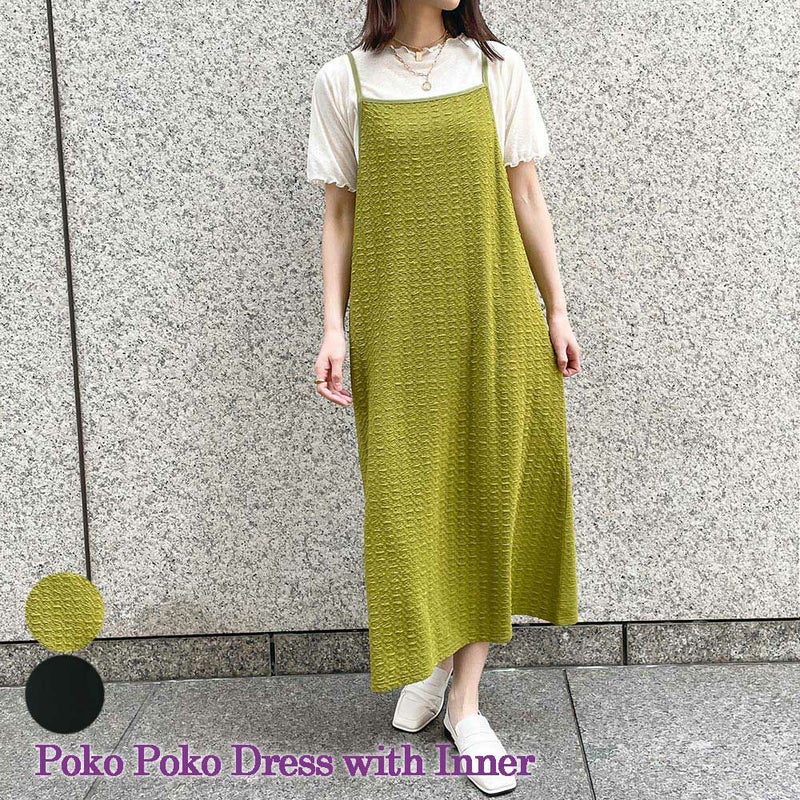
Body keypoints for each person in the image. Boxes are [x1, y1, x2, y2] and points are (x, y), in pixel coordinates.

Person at [306, 0, 581, 794]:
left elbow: (526, 194)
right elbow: (338, 215)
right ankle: (431, 661)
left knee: (486, 496)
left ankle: (465, 702)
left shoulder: (496, 69)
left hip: (494, 318)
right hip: (399, 330)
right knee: (410, 505)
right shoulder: (344, 81)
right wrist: (333, 329)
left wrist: (557, 310)